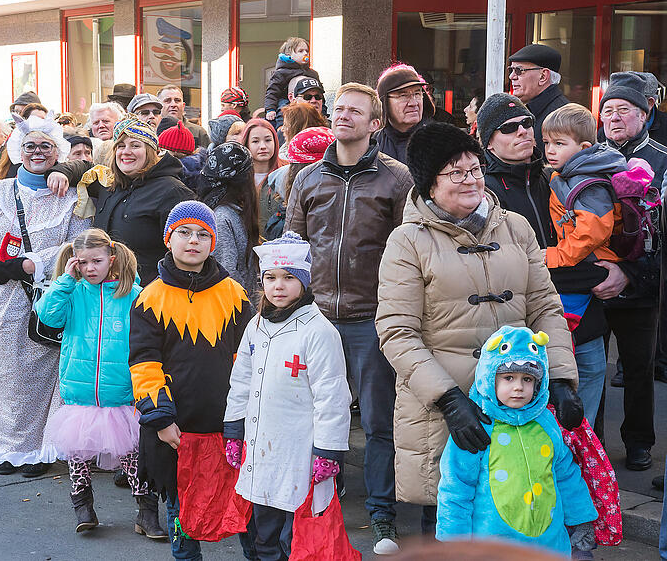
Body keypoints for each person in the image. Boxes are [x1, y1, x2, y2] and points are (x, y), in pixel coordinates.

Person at [376, 121, 580, 538]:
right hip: (447, 409)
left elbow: (544, 307)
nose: (470, 180)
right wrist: (449, 400)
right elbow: (397, 332)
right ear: (429, 184)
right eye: (455, 172)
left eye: (474, 169)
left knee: (521, 522)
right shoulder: (407, 241)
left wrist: (559, 377)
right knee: (452, 522)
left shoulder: (516, 227)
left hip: (519, 406)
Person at [285, 82, 411, 554]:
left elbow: (407, 250)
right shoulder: (307, 178)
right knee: (315, 416)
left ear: (375, 124)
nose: (343, 116)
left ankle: (382, 514)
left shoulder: (396, 179)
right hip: (316, 317)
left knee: (378, 422)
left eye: (355, 111)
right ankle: (321, 496)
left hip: (371, 319)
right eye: (338, 109)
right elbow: (292, 246)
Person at [0, 114, 87, 476]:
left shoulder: (71, 196)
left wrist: (32, 263)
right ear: (18, 149)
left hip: (41, 299)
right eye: (30, 145)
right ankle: (6, 445)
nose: (37, 152)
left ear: (57, 151)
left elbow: (78, 242)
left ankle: (34, 450)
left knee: (39, 375)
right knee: (1, 377)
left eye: (45, 146)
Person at [129, 200, 253, 558]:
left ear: (213, 243)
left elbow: (246, 359)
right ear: (169, 239)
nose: (193, 240)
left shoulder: (233, 294)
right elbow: (144, 363)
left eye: (203, 234)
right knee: (182, 516)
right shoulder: (150, 298)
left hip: (230, 426)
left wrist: (246, 415)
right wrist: (161, 419)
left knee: (244, 511)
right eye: (184, 232)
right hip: (176, 430)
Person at [224, 231, 353, 560]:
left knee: (295, 537)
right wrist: (234, 430)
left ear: (305, 282)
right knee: (263, 533)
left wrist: (328, 450)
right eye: (270, 277)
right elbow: (241, 381)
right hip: (261, 450)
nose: (278, 286)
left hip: (300, 454)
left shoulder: (319, 331)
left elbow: (332, 396)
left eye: (288, 278)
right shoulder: (256, 326)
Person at [36, 229, 165, 539]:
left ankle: (146, 513)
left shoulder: (132, 296)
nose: (90, 268)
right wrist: (65, 281)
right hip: (80, 392)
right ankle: (83, 507)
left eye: (97, 261)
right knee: (78, 454)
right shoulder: (72, 292)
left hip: (120, 391)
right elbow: (47, 316)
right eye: (82, 262)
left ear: (112, 259)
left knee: (133, 455)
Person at [436, 325, 597, 556]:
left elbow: (566, 473)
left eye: (528, 379)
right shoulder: (476, 427)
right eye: (508, 377)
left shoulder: (547, 423)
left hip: (549, 545)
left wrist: (581, 519)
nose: (518, 387)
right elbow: (456, 488)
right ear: (489, 376)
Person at [595, 72, 667, 471]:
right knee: (590, 366)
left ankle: (639, 442)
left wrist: (631, 273)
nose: (614, 118)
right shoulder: (588, 157)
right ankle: (594, 441)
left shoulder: (662, 159)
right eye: (608, 110)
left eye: (624, 110)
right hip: (595, 281)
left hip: (642, 283)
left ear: (645, 114)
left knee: (639, 368)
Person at [541, 103, 627, 427]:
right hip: (584, 267)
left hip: (591, 265)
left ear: (585, 148)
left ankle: (580, 444)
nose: (550, 150)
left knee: (585, 363)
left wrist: (553, 256)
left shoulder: (588, 182)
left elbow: (590, 234)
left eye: (559, 144)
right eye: (547, 142)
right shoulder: (570, 173)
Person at [48, 116, 195, 284]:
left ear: (151, 151)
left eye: (135, 145)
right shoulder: (109, 182)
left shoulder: (173, 191)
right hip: (105, 295)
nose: (126, 151)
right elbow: (84, 167)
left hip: (146, 296)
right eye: (121, 146)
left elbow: (186, 252)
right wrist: (60, 172)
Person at [477, 93, 555, 249]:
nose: (522, 131)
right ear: (489, 143)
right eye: (508, 128)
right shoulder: (483, 190)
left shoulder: (551, 178)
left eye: (526, 122)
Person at [202, 143, 261, 299]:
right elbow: (226, 272)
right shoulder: (222, 217)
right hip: (236, 311)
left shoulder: (235, 210)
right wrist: (251, 312)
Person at [507, 44, 569, 154]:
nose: (511, 76)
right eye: (511, 70)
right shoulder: (527, 110)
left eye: (519, 70)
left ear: (543, 76)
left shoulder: (562, 117)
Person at [375, 63, 434, 164]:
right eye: (403, 95)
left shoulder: (440, 142)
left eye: (417, 94)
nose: (413, 103)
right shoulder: (372, 145)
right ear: (384, 103)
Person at [240, 119, 285, 234]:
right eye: (255, 141)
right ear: (246, 144)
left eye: (268, 140)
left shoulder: (287, 172)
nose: (263, 146)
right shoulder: (239, 177)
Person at [264, 37, 319, 123]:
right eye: (301, 51)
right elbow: (272, 92)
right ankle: (282, 129)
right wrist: (270, 109)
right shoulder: (281, 73)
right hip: (286, 100)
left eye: (307, 51)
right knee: (283, 110)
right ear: (289, 55)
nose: (305, 53)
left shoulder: (313, 74)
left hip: (308, 100)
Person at [158, 119, 205, 191]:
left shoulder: (175, 173)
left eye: (162, 150)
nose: (158, 153)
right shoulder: (201, 168)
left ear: (175, 152)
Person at [159, 85, 210, 149]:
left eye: (177, 100)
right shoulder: (152, 132)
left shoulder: (198, 132)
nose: (173, 104)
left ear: (183, 106)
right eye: (167, 101)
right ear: (159, 106)